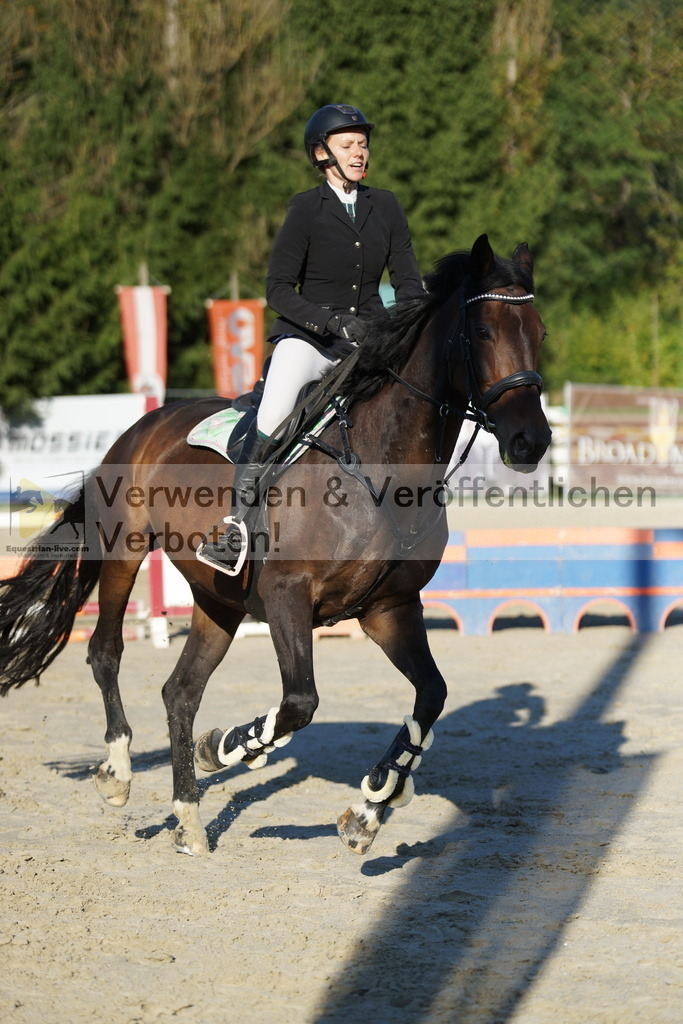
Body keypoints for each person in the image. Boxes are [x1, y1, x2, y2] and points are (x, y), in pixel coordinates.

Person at [197, 103, 423, 576]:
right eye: (348, 145)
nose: (359, 152)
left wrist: (411, 327)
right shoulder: (306, 208)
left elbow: (407, 282)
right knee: (274, 414)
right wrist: (332, 323)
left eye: (363, 144)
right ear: (322, 154)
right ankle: (235, 526)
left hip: (370, 339)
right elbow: (278, 289)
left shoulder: (386, 205)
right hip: (309, 339)